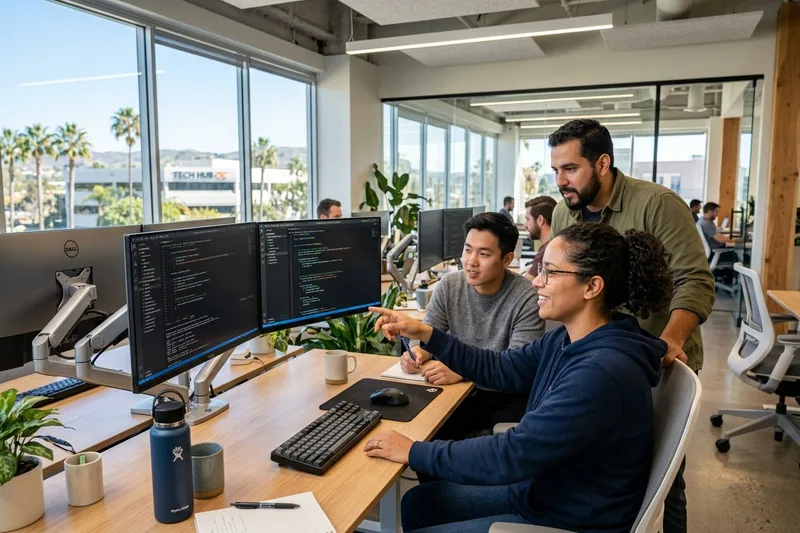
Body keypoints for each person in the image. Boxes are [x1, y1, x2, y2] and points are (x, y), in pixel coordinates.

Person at [364, 223, 671, 533]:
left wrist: (414, 451)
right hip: (545, 489)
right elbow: (501, 368)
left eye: (550, 272)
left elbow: (512, 454)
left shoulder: (601, 372)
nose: (537, 281)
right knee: (419, 503)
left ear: (592, 287)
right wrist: (428, 334)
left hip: (570, 518)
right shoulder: (568, 340)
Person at [548, 119, 715, 533]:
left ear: (602, 163)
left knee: (663, 476)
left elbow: (695, 280)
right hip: (591, 361)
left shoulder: (657, 204)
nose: (560, 181)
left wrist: (671, 340)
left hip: (654, 360)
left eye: (569, 169)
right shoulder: (561, 212)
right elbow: (560, 281)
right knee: (598, 465)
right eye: (555, 171)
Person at [401, 212, 543, 442]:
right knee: (419, 428)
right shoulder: (450, 285)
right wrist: (416, 352)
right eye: (468, 250)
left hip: (502, 396)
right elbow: (428, 332)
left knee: (442, 438)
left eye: (483, 254)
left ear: (506, 260)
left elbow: (517, 367)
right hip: (458, 392)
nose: (471, 261)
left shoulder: (526, 297)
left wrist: (463, 372)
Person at [523, 196, 557, 280]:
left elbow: (526, 282)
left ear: (540, 220)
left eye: (528, 219)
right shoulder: (554, 244)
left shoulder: (547, 249)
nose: (525, 225)